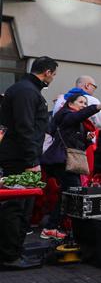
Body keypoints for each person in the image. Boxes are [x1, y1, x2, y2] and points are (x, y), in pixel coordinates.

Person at [0, 57, 57, 269]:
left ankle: (13, 251)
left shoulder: (25, 89)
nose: (53, 78)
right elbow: (25, 128)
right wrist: (32, 161)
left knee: (23, 207)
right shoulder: (26, 91)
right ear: (48, 72)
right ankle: (10, 256)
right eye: (54, 74)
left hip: (22, 157)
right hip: (22, 159)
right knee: (17, 207)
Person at [41, 91, 101, 238]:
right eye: (80, 102)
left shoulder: (77, 121)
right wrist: (95, 107)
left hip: (68, 161)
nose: (83, 105)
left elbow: (78, 146)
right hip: (62, 161)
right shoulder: (65, 114)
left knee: (68, 194)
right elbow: (76, 117)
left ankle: (54, 226)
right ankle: (52, 227)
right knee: (71, 194)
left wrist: (87, 139)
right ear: (70, 104)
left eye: (85, 103)